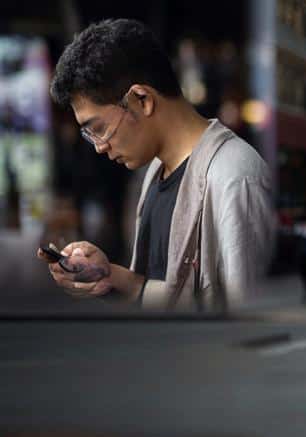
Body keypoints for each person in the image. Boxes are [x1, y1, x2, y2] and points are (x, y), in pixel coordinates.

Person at [40, 19, 274, 311]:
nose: (99, 145)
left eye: (98, 127)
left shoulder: (236, 176)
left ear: (141, 99)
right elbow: (165, 290)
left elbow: (247, 318)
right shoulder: (152, 173)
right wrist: (112, 276)